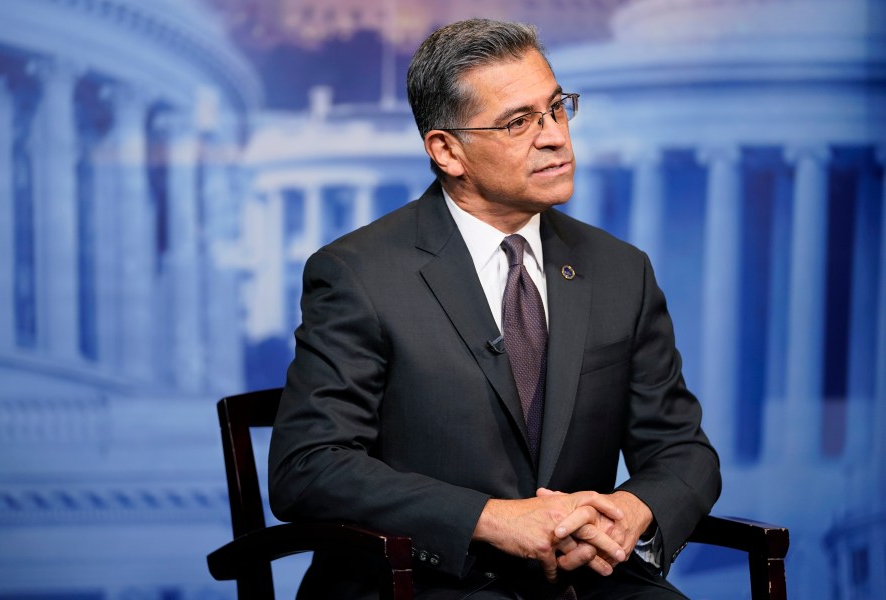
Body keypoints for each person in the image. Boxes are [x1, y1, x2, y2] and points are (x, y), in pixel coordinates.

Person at [268, 18, 721, 599]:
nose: (555, 135)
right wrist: (491, 518)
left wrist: (633, 509)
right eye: (518, 122)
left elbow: (682, 450)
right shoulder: (359, 274)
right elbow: (309, 466)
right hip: (423, 580)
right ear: (447, 150)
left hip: (582, 580)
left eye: (556, 108)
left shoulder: (620, 270)